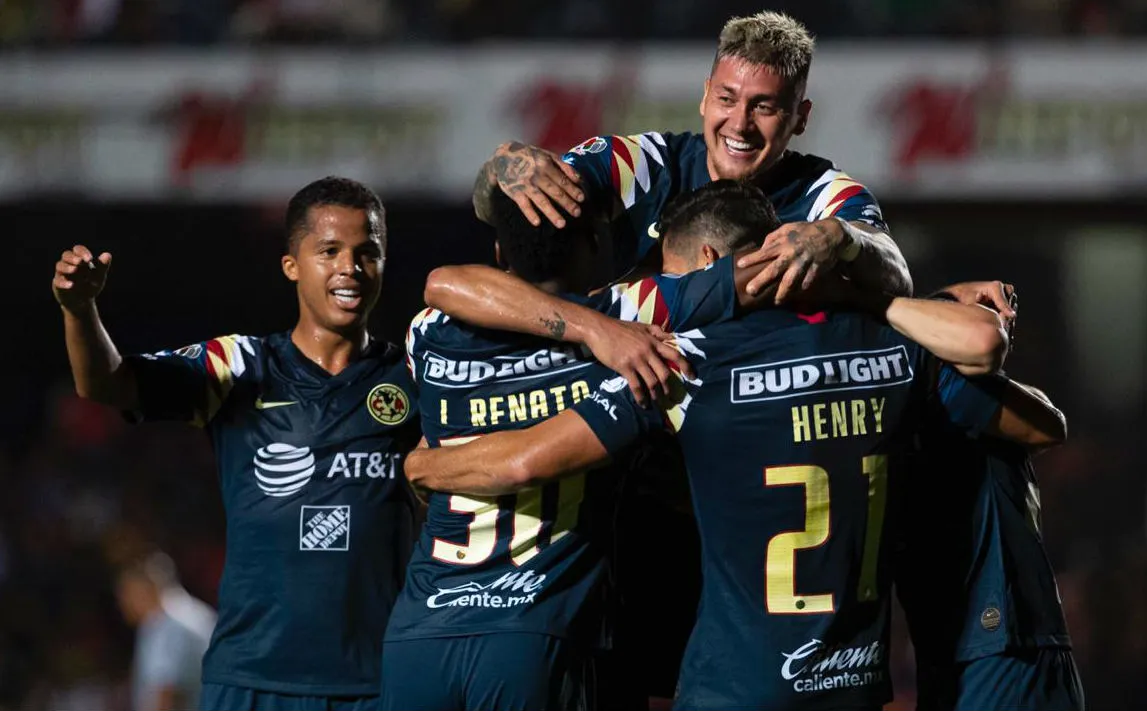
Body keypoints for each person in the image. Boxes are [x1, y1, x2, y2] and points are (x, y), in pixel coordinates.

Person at [404, 184, 1067, 711]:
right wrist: (884, 299)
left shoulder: (688, 360)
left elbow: (528, 458)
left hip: (736, 684)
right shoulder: (893, 349)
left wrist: (427, 464)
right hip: (852, 685)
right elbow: (1040, 424)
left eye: (672, 277)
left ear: (707, 266)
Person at [379, 185, 772, 711]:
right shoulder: (629, 316)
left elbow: (446, 285)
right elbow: (757, 272)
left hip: (420, 629)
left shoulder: (427, 334)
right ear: (594, 244)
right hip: (536, 630)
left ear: (499, 254)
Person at [52, 176, 422, 711]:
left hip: (376, 680)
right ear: (291, 265)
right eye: (329, 251)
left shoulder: (414, 377)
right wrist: (79, 311)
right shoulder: (241, 366)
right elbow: (107, 384)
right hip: (251, 679)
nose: (350, 267)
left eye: (368, 252)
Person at [471, 11, 934, 309]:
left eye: (765, 106)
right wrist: (500, 170)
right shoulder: (646, 162)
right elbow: (512, 207)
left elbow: (896, 272)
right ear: (704, 97)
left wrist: (841, 237)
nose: (740, 123)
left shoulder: (826, 195)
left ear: (800, 117)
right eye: (727, 99)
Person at [895, 297, 1084, 710]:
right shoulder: (943, 383)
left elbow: (1050, 424)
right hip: (999, 649)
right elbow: (1050, 425)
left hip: (977, 645)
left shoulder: (896, 383)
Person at [116, 551, 216, 711]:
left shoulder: (171, 623)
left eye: (126, 592)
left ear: (143, 589)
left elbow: (166, 693)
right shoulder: (189, 612)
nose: (122, 602)